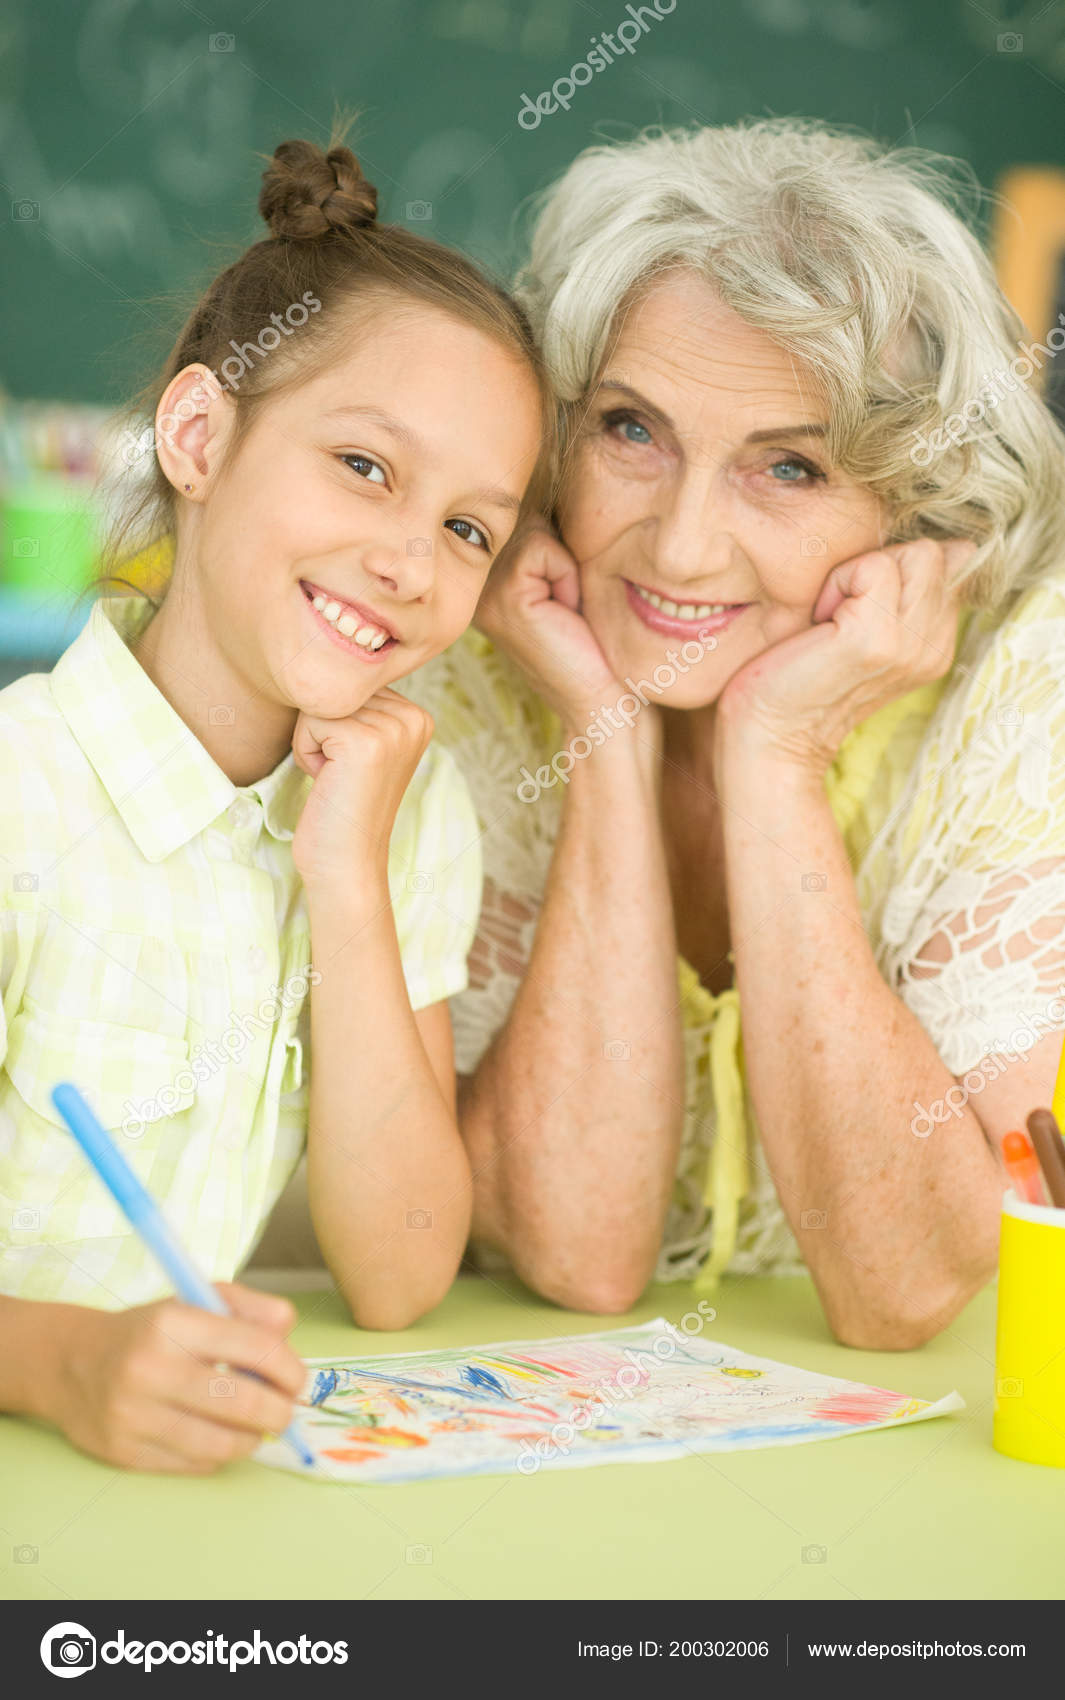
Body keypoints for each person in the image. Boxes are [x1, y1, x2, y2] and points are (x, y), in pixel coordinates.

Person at [411, 119, 1065, 1350]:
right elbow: (576, 1253)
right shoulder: (460, 653)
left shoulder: (1029, 694)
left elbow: (906, 1286)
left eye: (790, 470)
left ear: (915, 507)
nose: (682, 546)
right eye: (631, 431)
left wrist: (774, 757)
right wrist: (603, 734)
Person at [0, 134, 553, 1471]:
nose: (408, 560)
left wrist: (347, 879)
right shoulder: (26, 803)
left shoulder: (399, 818)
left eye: (470, 529)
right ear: (198, 437)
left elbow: (402, 1273)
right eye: (365, 467)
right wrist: (71, 1365)